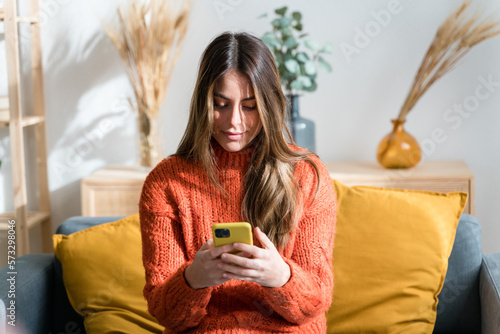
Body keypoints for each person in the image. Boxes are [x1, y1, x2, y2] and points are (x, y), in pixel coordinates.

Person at [139, 31, 337, 333]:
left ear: (268, 106)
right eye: (220, 104)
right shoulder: (166, 182)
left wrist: (280, 277)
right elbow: (166, 314)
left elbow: (315, 302)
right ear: (203, 103)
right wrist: (194, 278)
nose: (234, 122)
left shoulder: (307, 175)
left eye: (249, 106)